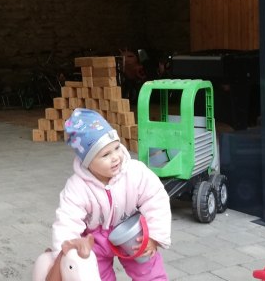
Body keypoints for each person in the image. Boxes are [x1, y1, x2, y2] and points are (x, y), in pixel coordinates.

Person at [33, 108, 171, 281]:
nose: (115, 157)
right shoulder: (77, 187)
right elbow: (66, 221)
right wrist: (65, 253)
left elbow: (156, 198)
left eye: (116, 148)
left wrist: (154, 237)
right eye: (106, 154)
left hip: (130, 231)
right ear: (88, 161)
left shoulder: (135, 172)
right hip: (94, 239)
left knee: (147, 266)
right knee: (94, 273)